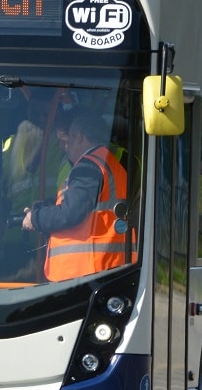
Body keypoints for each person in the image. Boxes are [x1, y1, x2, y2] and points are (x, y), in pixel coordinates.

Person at [23, 107, 135, 281]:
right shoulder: (108, 162)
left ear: (80, 137)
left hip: (85, 269)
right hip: (104, 264)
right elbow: (88, 206)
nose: (64, 147)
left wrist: (35, 218)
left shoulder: (88, 167)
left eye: (68, 140)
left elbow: (70, 213)